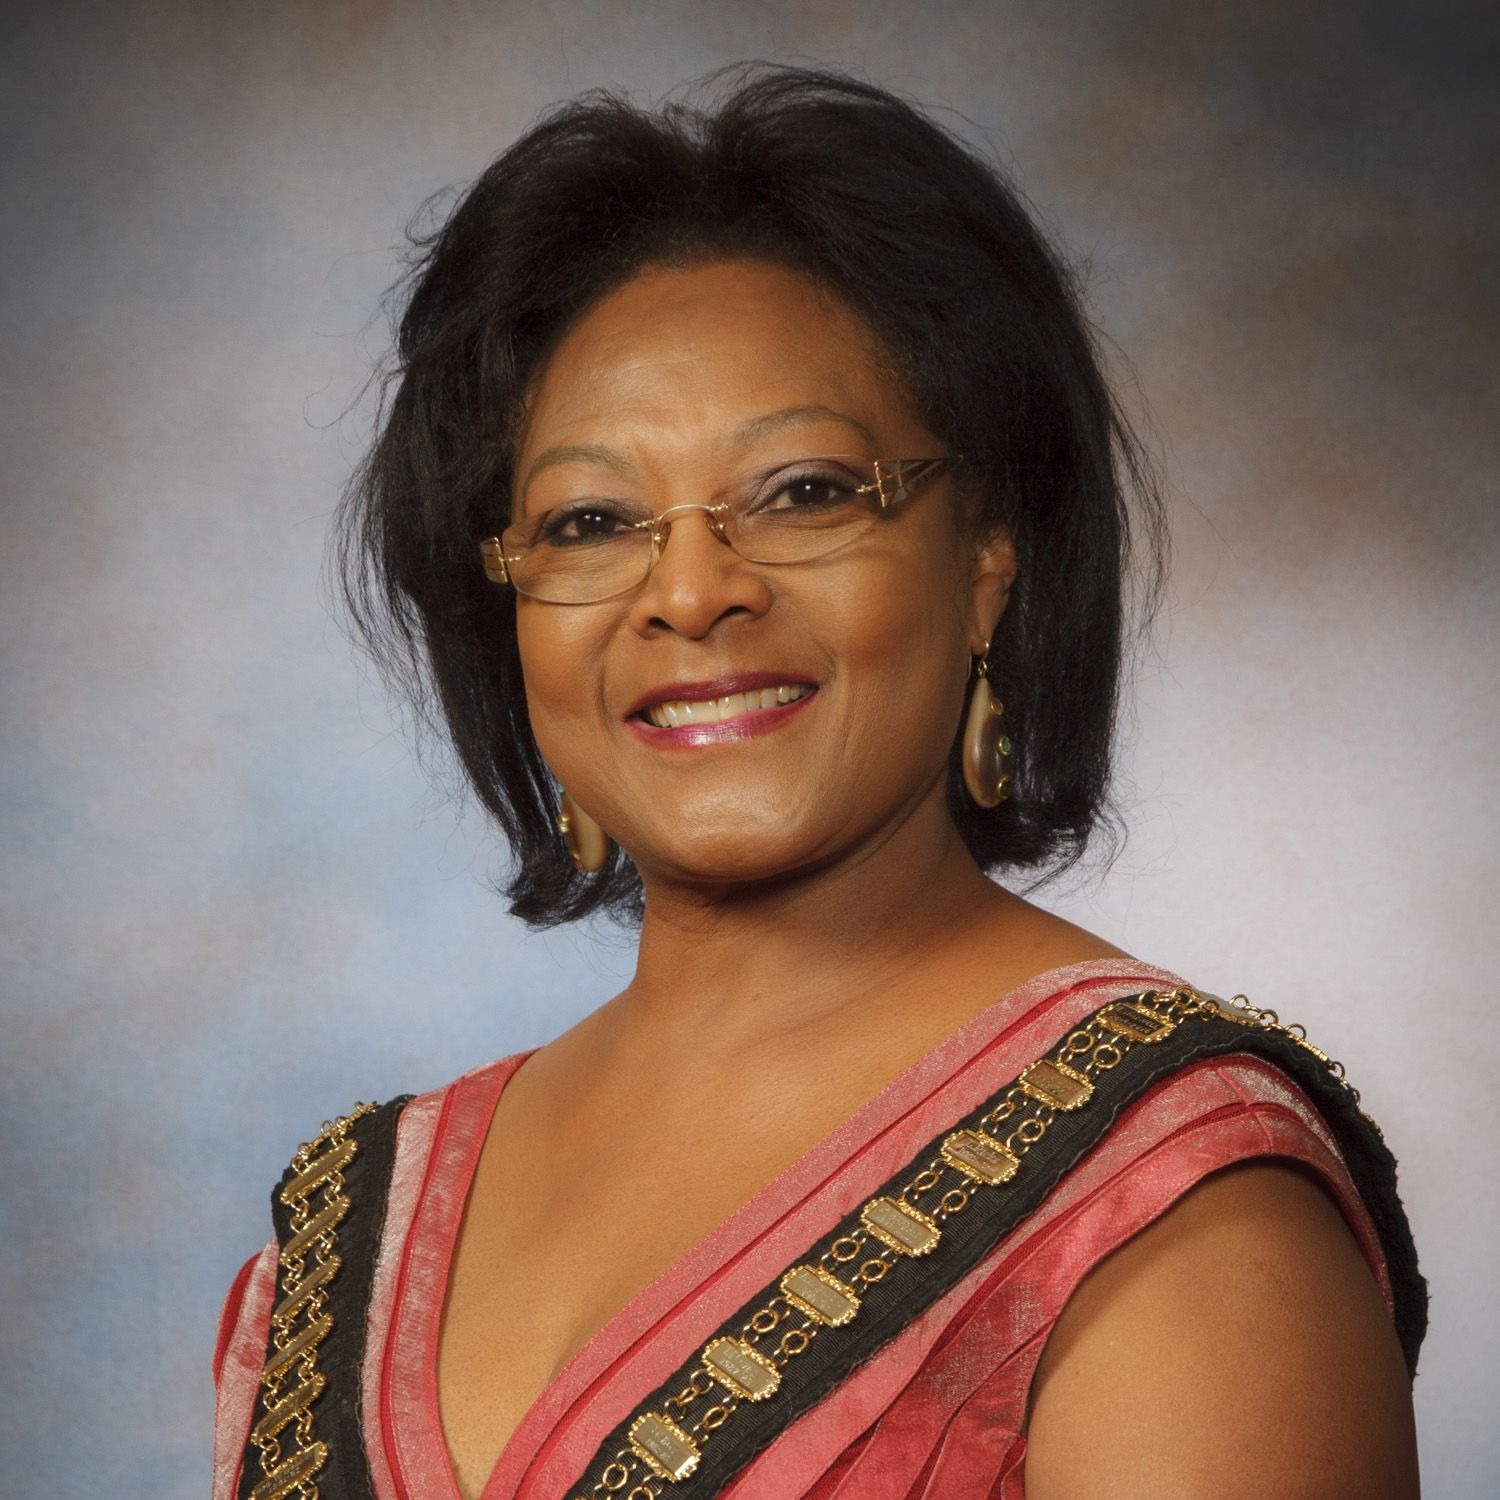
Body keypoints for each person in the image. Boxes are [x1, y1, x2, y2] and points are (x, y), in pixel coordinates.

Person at [211, 66, 1424, 1500]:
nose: (690, 593)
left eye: (804, 492)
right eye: (590, 522)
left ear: (989, 558)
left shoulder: (1178, 1195)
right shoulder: (342, 1239)